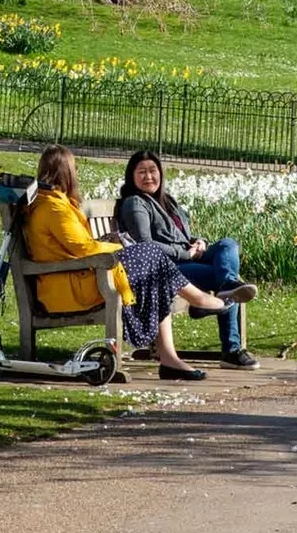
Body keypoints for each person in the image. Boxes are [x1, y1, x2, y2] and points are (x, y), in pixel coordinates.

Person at [21, 145, 252, 382]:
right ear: (67, 173)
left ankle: (175, 352)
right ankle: (199, 305)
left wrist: (196, 243)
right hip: (70, 286)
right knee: (149, 256)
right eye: (74, 169)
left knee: (215, 248)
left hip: (80, 277)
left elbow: (80, 246)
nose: (77, 174)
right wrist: (120, 246)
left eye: (154, 170)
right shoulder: (54, 207)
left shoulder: (55, 204)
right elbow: (85, 248)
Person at [115, 150, 259, 369]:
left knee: (228, 245)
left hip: (188, 257)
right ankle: (231, 350)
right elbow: (145, 245)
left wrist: (198, 242)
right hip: (168, 268)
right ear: (132, 176)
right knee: (221, 278)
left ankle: (226, 289)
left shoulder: (166, 201)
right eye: (142, 172)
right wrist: (186, 253)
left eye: (153, 171)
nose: (148, 177)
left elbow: (180, 236)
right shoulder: (136, 203)